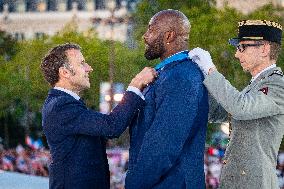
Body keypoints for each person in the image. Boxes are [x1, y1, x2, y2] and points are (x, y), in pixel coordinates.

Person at [40, 43, 157, 189]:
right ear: (65, 72)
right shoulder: (61, 106)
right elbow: (112, 126)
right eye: (82, 63)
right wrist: (136, 84)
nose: (89, 68)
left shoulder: (63, 103)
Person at [189, 20, 284, 189]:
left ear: (264, 49)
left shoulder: (277, 85)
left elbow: (240, 108)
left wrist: (211, 70)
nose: (237, 54)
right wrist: (201, 78)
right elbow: (217, 112)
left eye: (242, 47)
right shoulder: (255, 86)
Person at [125, 10, 209, 189]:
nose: (145, 36)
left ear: (169, 36)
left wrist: (134, 184)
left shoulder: (182, 76)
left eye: (151, 30)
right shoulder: (169, 73)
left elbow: (162, 145)